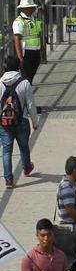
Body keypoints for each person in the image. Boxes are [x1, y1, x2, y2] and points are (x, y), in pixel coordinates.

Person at [0, 55, 40, 188]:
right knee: (24, 147)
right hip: (21, 121)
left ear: (5, 67)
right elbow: (30, 105)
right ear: (18, 67)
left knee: (6, 151)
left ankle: (8, 180)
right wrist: (35, 122)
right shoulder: (24, 83)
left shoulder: (0, 83)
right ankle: (27, 168)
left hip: (4, 122)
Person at [12, 0, 45, 84]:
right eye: (28, 8)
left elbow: (38, 35)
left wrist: (42, 49)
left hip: (35, 52)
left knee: (30, 76)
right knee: (26, 78)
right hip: (25, 52)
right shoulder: (18, 22)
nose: (31, 9)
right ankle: (25, 96)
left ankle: (27, 94)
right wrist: (20, 57)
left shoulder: (34, 19)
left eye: (32, 7)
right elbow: (17, 39)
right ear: (22, 9)